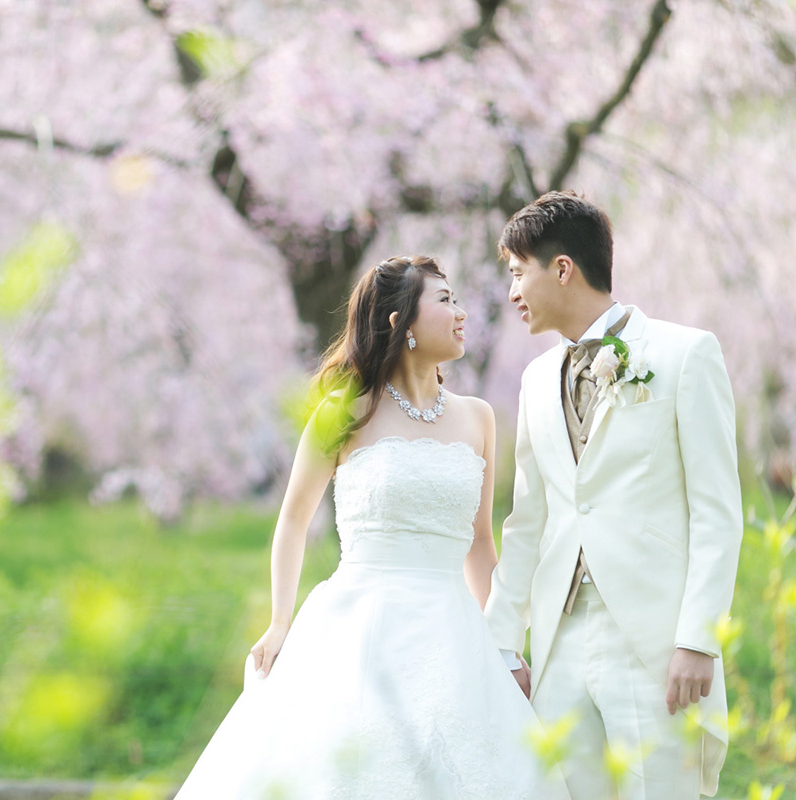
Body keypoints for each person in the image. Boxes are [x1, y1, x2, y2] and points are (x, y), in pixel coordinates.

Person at [173, 256, 568, 799]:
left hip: (453, 634)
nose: (462, 313)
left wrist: (503, 645)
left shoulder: (478, 417)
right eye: (446, 300)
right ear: (400, 321)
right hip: (358, 627)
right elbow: (291, 521)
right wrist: (280, 620)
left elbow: (480, 543)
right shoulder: (345, 411)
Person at [484, 191, 743, 799]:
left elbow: (717, 512)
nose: (513, 293)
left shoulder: (684, 355)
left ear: (563, 269)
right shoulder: (534, 380)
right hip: (559, 642)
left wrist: (697, 639)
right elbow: (529, 521)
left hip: (655, 644)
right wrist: (501, 641)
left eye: (519, 274)